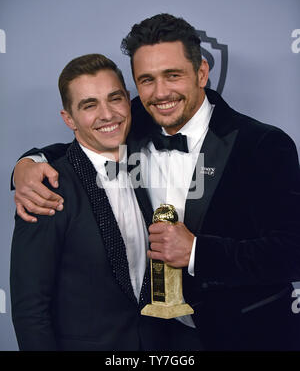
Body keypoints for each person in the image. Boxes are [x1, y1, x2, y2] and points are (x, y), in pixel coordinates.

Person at [12, 14, 300, 350]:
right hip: (162, 340)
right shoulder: (134, 120)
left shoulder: (263, 144)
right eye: (146, 80)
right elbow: (84, 141)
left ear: (202, 73)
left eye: (172, 75)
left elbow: (292, 253)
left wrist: (196, 252)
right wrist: (28, 163)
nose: (160, 93)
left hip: (246, 334)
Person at [10, 53, 202, 351]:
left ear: (128, 101)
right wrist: (25, 165)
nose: (107, 114)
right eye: (89, 105)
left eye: (115, 99)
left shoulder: (148, 162)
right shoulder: (46, 188)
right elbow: (30, 311)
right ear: (69, 119)